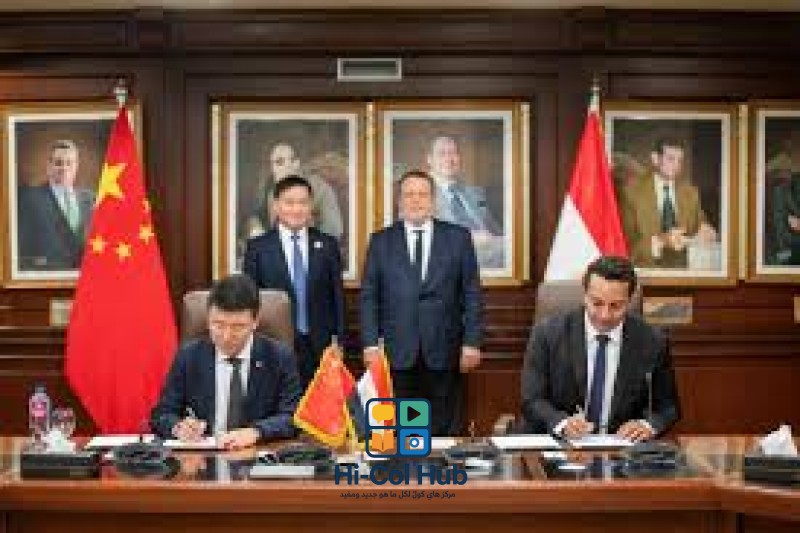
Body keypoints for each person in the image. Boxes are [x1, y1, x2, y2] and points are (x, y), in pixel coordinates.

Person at [360, 169, 483, 436]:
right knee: (406, 431)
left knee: (444, 429)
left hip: (445, 349)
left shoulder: (458, 238)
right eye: (409, 195)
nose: (416, 200)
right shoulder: (381, 241)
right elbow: (369, 296)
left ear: (433, 200)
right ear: (399, 201)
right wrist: (370, 345)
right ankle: (410, 463)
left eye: (422, 194)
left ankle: (440, 464)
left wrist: (472, 342)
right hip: (398, 352)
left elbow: (472, 293)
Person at [521, 256, 680, 442]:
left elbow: (668, 408)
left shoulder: (652, 341)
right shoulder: (547, 334)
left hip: (622, 448)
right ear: (585, 295)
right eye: (597, 303)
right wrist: (561, 423)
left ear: (629, 301)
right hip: (560, 445)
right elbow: (532, 399)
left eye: (616, 306)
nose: (605, 316)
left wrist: (646, 426)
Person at [151, 274, 301, 449]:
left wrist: (256, 432)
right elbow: (162, 414)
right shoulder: (189, 356)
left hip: (256, 453)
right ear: (208, 318)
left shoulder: (279, 357)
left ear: (255, 321)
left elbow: (293, 417)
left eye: (237, 327)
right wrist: (179, 428)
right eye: (218, 325)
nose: (226, 336)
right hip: (203, 455)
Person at [243, 175, 345, 387]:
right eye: (289, 202)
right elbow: (250, 301)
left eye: (303, 202)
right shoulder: (258, 248)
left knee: (318, 405)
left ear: (311, 206)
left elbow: (337, 297)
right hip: (274, 346)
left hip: (322, 347)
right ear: (276, 206)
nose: (296, 209)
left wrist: (339, 341)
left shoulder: (327, 245)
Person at [618, 137, 718, 269]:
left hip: (683, 271)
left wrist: (707, 231)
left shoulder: (690, 192)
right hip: (645, 271)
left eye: (680, 160)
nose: (676, 165)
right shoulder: (631, 192)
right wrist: (662, 241)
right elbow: (623, 246)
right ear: (655, 158)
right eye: (671, 159)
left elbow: (700, 225)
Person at [425, 135, 504, 269]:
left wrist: (503, 239)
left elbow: (493, 227)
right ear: (430, 159)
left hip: (491, 253)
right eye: (442, 153)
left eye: (453, 153)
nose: (449, 159)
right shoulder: (419, 191)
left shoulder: (476, 192)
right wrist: (468, 237)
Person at [17, 139, 96, 270]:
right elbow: (20, 247)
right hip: (47, 273)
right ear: (49, 166)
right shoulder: (29, 198)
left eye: (69, 163)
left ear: (76, 166)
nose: (64, 168)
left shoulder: (90, 198)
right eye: (58, 163)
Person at [243, 142, 343, 242]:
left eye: (283, 162)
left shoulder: (320, 189)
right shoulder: (270, 188)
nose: (282, 168)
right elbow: (257, 215)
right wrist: (255, 228)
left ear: (296, 163)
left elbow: (333, 229)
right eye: (277, 163)